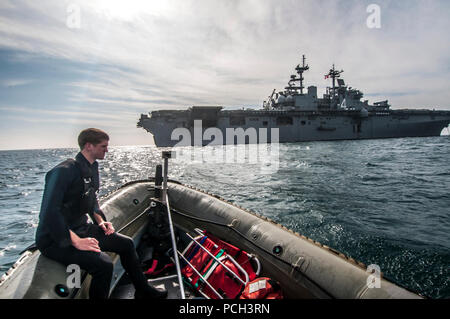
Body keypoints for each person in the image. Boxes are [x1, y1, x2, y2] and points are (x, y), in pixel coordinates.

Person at [35, 128, 167, 299]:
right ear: (89, 146)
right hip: (54, 238)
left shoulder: (92, 168)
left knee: (126, 244)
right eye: (103, 146)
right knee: (103, 264)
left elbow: (91, 201)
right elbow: (49, 213)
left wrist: (100, 221)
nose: (107, 150)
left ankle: (143, 290)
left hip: (81, 228)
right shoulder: (63, 171)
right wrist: (76, 241)